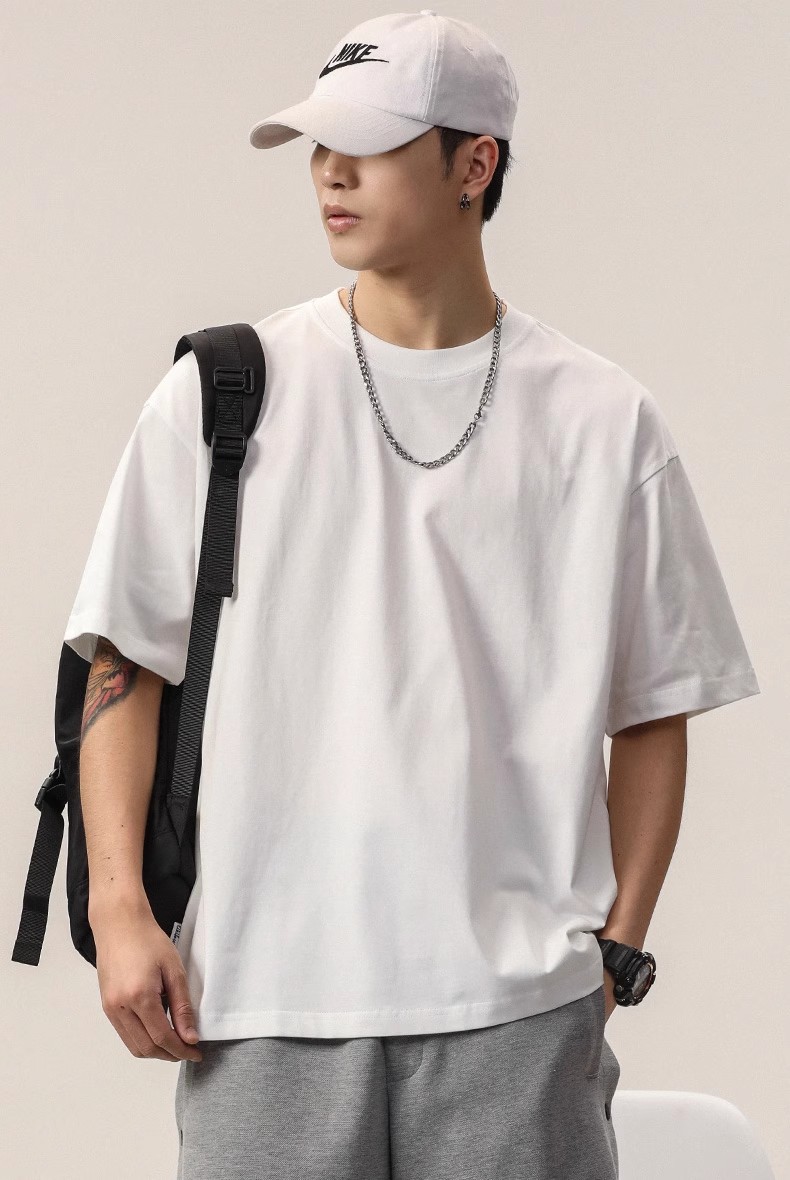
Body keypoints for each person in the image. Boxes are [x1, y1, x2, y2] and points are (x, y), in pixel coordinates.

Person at [64, 11, 761, 1179]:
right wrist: (119, 906)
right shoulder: (223, 396)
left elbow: (653, 706)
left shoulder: (601, 421)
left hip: (516, 1014)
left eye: (371, 145)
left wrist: (615, 951)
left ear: (473, 164)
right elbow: (124, 660)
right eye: (317, 144)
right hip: (261, 999)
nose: (329, 173)